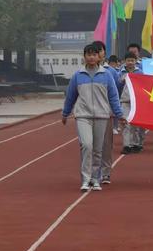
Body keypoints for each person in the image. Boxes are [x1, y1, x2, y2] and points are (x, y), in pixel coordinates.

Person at [62, 43, 124, 192]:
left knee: (97, 149)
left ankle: (95, 178)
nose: (91, 57)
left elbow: (113, 97)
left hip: (102, 116)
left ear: (99, 57)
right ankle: (85, 179)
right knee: (87, 145)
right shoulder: (78, 76)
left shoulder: (106, 75)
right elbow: (70, 96)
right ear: (84, 57)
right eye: (88, 54)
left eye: (94, 54)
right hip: (83, 115)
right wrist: (65, 113)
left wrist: (119, 114)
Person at [93, 41, 120, 184]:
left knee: (106, 145)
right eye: (93, 52)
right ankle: (93, 172)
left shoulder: (111, 72)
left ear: (104, 53)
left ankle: (105, 172)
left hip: (105, 114)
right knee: (90, 145)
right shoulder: (83, 72)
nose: (97, 54)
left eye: (100, 51)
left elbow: (115, 93)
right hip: (89, 115)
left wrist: (117, 112)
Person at [118, 52, 144, 154]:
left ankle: (136, 144)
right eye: (128, 60)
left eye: (132, 60)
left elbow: (144, 86)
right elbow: (117, 86)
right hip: (125, 101)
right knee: (126, 123)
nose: (130, 62)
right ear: (125, 61)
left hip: (136, 102)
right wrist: (121, 81)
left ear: (136, 61)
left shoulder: (140, 72)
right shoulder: (121, 72)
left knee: (136, 125)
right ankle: (126, 145)